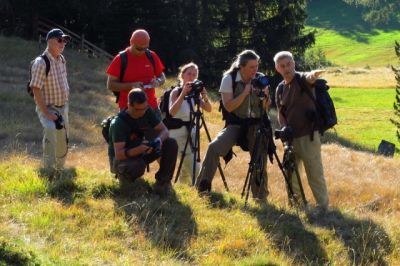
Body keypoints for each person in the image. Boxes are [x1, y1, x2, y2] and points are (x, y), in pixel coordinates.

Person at [196, 50, 270, 201]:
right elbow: (229, 107)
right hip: (236, 123)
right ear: (241, 66)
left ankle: (260, 198)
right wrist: (244, 93)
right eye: (251, 67)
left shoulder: (260, 78)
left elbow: (266, 107)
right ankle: (202, 187)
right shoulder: (229, 79)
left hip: (256, 124)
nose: (255, 70)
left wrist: (264, 95)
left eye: (256, 66)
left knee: (259, 158)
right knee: (214, 147)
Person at [274, 51, 329, 210]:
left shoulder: (303, 79)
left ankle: (323, 207)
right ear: (277, 68)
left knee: (315, 173)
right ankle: (298, 206)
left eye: (289, 64)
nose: (287, 68)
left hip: (309, 136)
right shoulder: (280, 88)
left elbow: (310, 77)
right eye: (282, 66)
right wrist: (284, 128)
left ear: (294, 63)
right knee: (291, 175)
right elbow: (280, 112)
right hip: (290, 138)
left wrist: (315, 74)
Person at [109, 88, 178, 196]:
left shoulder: (147, 111)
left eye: (144, 108)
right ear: (129, 105)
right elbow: (119, 154)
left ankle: (163, 183)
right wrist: (139, 149)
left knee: (171, 143)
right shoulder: (118, 123)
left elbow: (164, 130)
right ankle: (126, 180)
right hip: (123, 160)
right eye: (138, 109)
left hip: (142, 151)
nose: (142, 112)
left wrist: (158, 140)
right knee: (138, 165)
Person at [30, 28, 71, 173]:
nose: (63, 43)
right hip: (48, 107)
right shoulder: (41, 62)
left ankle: (60, 169)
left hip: (63, 106)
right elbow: (36, 89)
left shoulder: (61, 60)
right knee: (50, 129)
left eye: (64, 41)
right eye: (60, 40)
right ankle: (48, 170)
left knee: (63, 138)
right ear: (49, 41)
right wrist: (46, 112)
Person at [168, 62, 212, 185]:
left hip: (192, 131)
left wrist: (204, 96)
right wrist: (183, 94)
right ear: (182, 75)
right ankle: (202, 188)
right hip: (177, 132)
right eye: (189, 74)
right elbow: (172, 111)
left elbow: (208, 108)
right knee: (193, 164)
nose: (192, 77)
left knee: (185, 168)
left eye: (194, 74)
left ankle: (184, 189)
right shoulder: (176, 91)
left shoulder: (195, 95)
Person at [106, 29, 166, 114]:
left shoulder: (152, 56)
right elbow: (110, 85)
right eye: (139, 48)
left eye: (145, 48)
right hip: (128, 110)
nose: (142, 51)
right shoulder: (120, 59)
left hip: (151, 107)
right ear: (131, 43)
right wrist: (131, 86)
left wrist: (158, 81)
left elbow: (162, 76)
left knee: (163, 128)